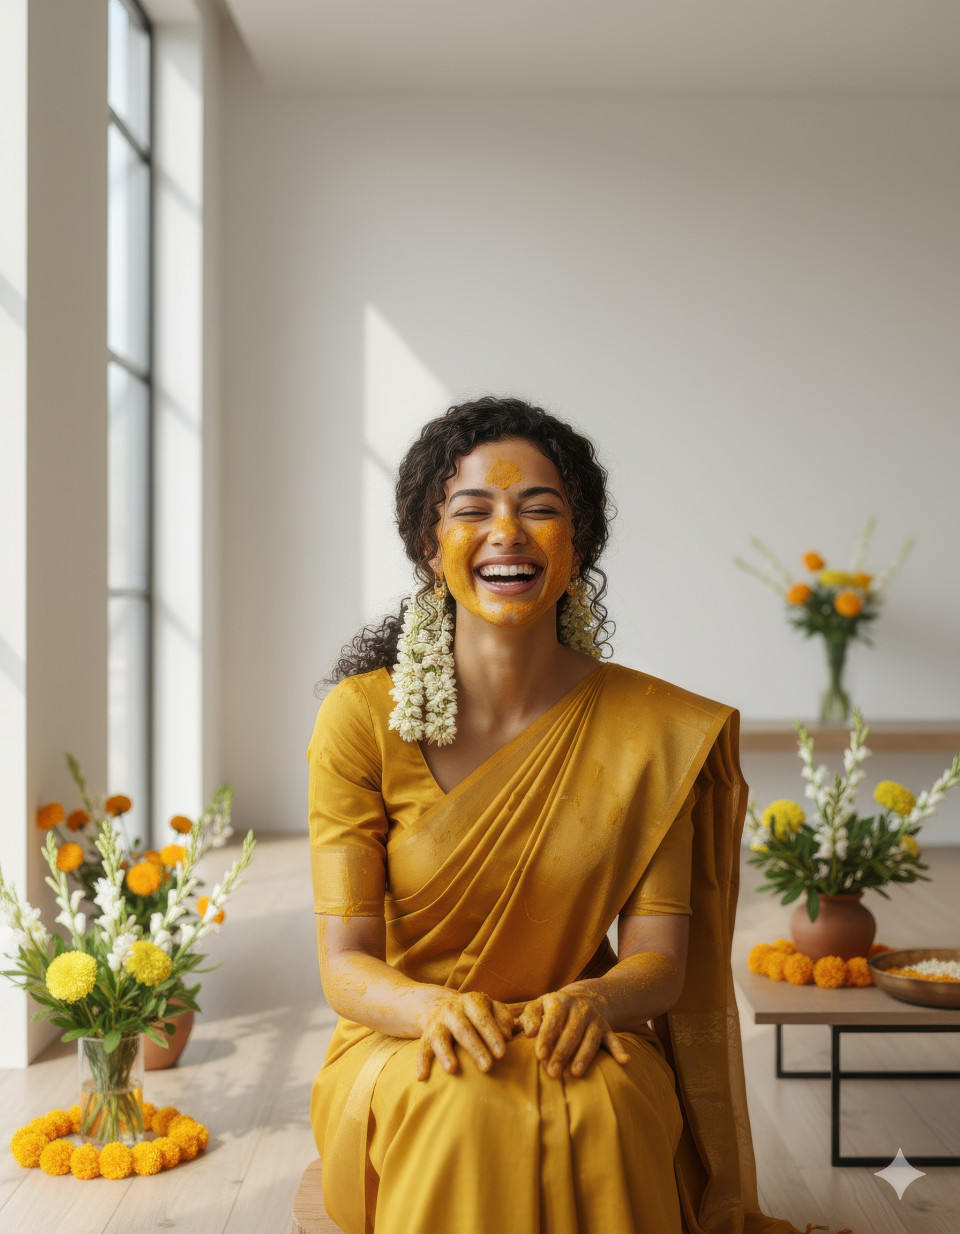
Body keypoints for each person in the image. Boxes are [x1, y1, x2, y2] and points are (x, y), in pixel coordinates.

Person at [307, 397, 851, 1234]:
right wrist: (433, 1011)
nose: (508, 532)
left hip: (578, 1032)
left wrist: (596, 1001)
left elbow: (658, 965)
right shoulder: (359, 718)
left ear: (581, 542)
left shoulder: (650, 732)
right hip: (404, 1039)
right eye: (473, 510)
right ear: (429, 542)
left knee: (605, 1111)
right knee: (455, 1108)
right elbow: (345, 964)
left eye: (541, 509)